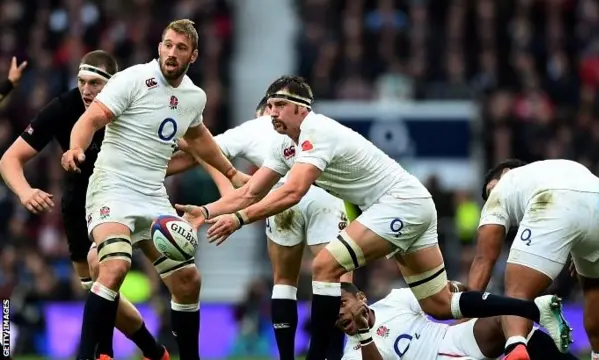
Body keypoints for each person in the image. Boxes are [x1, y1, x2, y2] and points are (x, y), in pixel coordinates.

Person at [177, 75, 571, 360]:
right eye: (271, 107)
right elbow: (251, 190)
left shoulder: (316, 130)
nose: (272, 114)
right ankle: (535, 309)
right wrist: (208, 211)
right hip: (411, 204)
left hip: (398, 204)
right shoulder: (286, 145)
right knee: (437, 304)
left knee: (326, 264)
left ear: (300, 108)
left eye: (279, 106)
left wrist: (241, 219)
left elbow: (293, 193)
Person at [59, 20, 246, 360]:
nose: (172, 53)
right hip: (111, 188)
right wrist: (75, 147)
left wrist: (232, 173)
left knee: (189, 280)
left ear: (194, 55)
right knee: (114, 267)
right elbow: (90, 120)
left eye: (181, 48)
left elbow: (198, 138)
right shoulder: (131, 79)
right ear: (159, 46)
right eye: (168, 45)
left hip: (153, 195)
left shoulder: (194, 96)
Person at [0, 50, 173, 360]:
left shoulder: (135, 104)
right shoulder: (63, 107)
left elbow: (182, 146)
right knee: (98, 289)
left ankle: (99, 354)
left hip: (121, 200)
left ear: (114, 84)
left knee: (103, 266)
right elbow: (10, 158)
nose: (86, 90)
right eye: (81, 82)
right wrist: (25, 192)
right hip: (77, 203)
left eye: (95, 83)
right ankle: (154, 351)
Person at [173, 96, 352, 360]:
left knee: (283, 283)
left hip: (280, 198)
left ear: (267, 108)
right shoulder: (318, 124)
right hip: (324, 196)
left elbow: (201, 150)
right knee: (339, 282)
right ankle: (335, 355)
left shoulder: (252, 128)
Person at [469, 159, 599, 360]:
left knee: (517, 291)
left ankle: (516, 349)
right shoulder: (561, 171)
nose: (491, 197)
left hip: (552, 201)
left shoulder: (507, 183)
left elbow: (484, 259)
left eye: (490, 190)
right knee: (596, 289)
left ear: (505, 172)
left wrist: (466, 312)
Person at [338, 282, 581, 360]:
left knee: (506, 316)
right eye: (333, 314)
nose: (339, 314)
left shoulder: (395, 299)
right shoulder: (351, 352)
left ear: (361, 297)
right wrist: (364, 334)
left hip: (451, 337)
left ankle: (515, 348)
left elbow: (441, 296)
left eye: (342, 303)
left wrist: (453, 290)